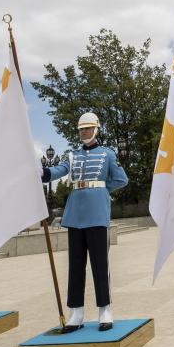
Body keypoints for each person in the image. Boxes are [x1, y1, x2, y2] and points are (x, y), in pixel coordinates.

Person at [44, 113, 128, 332]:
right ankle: (76, 313)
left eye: (88, 128)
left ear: (96, 129)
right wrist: (44, 173)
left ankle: (105, 310)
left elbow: (121, 179)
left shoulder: (107, 154)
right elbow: (59, 170)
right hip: (75, 214)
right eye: (81, 129)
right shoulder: (72, 155)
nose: (84, 132)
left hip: (97, 213)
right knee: (75, 265)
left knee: (100, 265)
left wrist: (100, 190)